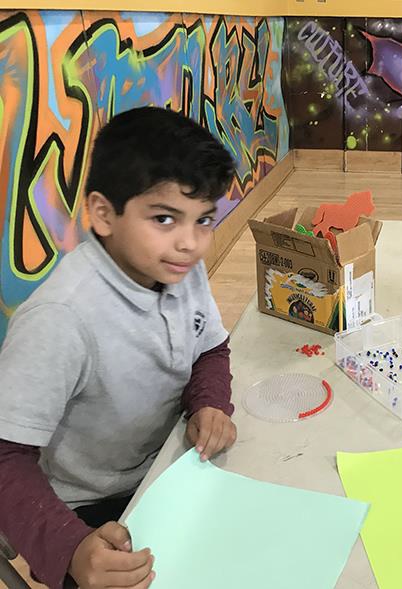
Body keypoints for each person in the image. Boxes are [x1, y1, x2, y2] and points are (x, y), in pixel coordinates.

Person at [0, 106, 238, 589]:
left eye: (204, 220)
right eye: (165, 218)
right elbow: (4, 460)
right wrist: (69, 548)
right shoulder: (62, 319)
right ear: (104, 213)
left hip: (168, 467)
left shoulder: (178, 269)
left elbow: (210, 350)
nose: (191, 245)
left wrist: (210, 402)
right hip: (85, 510)